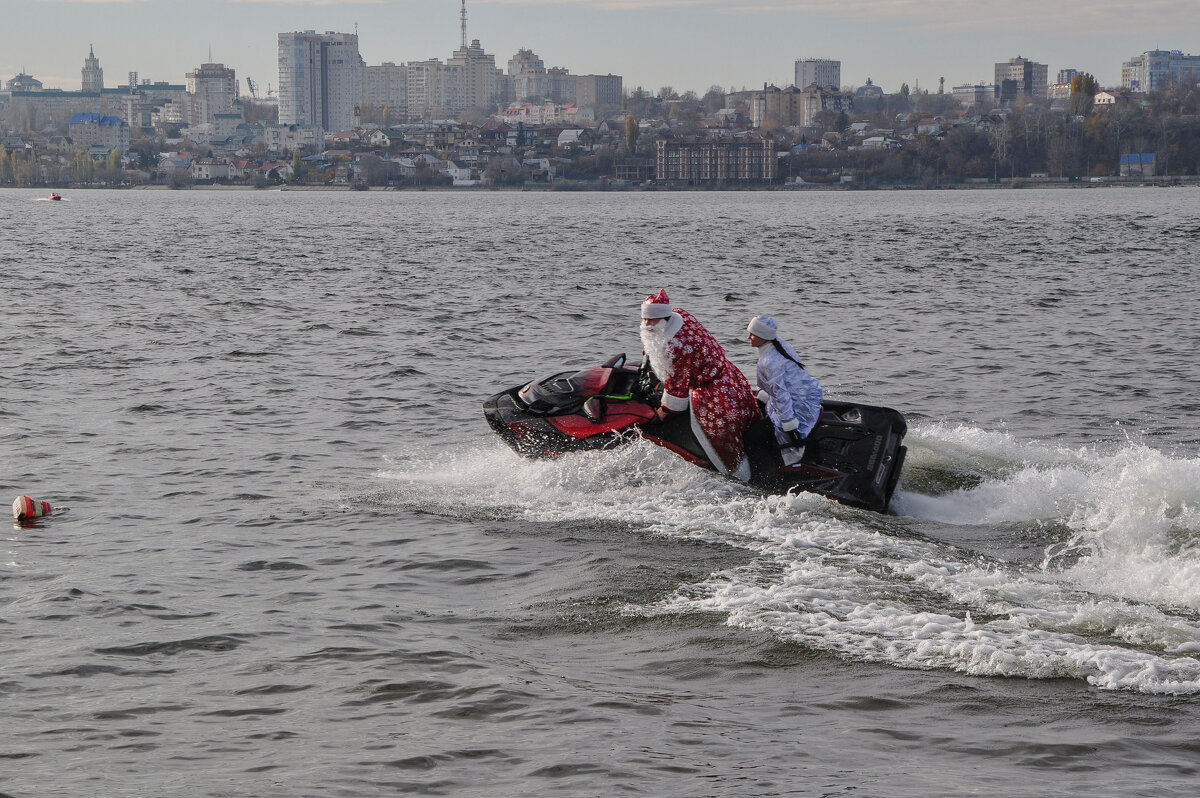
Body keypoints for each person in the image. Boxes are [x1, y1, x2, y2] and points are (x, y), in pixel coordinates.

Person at [639, 289, 761, 480]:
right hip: (726, 374)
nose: (647, 325)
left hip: (711, 393)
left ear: (664, 317)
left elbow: (676, 395)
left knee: (720, 441)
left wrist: (657, 417)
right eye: (645, 319)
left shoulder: (677, 346)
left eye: (652, 320)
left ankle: (740, 477)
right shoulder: (680, 315)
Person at [746, 315, 823, 466]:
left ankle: (767, 478)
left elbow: (782, 396)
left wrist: (790, 426)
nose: (749, 337)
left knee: (751, 440)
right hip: (807, 395)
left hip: (795, 409)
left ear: (764, 336)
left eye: (753, 334)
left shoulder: (768, 362)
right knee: (761, 400)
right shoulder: (780, 344)